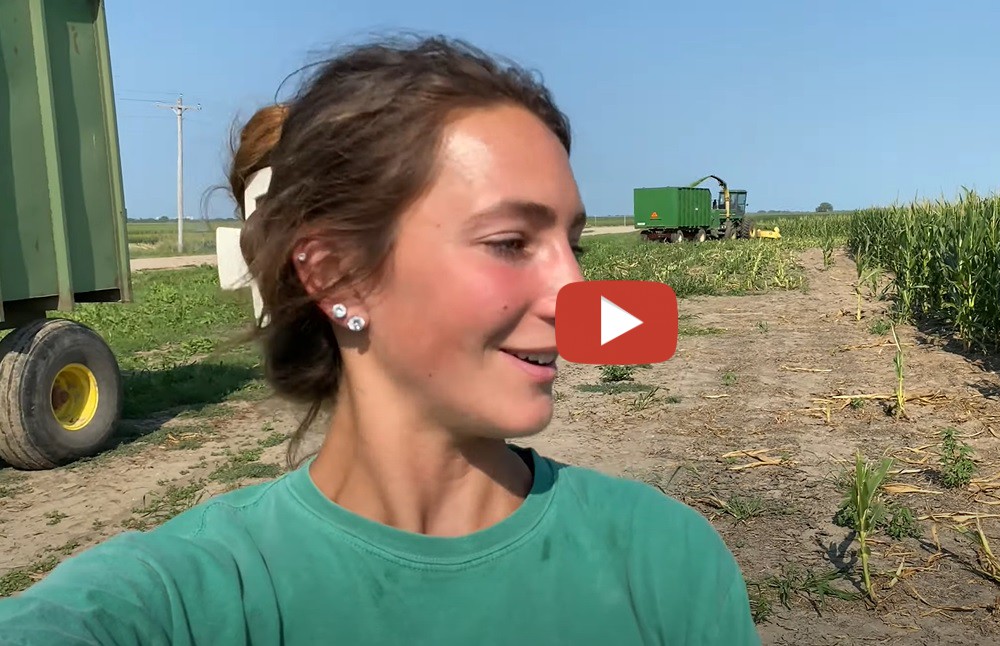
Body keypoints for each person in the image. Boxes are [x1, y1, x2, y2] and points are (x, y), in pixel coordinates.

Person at [0, 35, 760, 645]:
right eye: (508, 242)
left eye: (574, 246)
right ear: (337, 276)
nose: (576, 296)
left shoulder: (662, 562)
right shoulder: (183, 599)